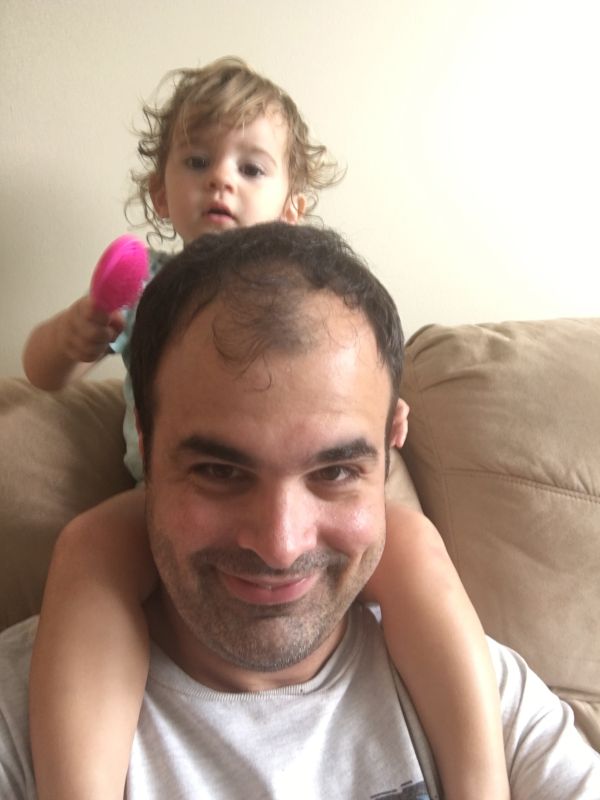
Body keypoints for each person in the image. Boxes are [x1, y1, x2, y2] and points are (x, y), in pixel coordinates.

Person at [21, 59, 508, 800]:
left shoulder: (330, 304)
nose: (222, 181)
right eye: (197, 161)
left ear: (292, 206)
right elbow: (41, 369)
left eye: (251, 168)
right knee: (90, 548)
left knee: (414, 544)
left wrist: (383, 416)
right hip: (152, 501)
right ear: (160, 192)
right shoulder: (144, 290)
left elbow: (365, 388)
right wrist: (75, 332)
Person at [3, 222, 599, 798]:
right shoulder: (26, 716)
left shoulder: (485, 691)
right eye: (219, 471)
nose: (280, 544)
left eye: (335, 472)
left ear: (391, 443)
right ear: (144, 440)